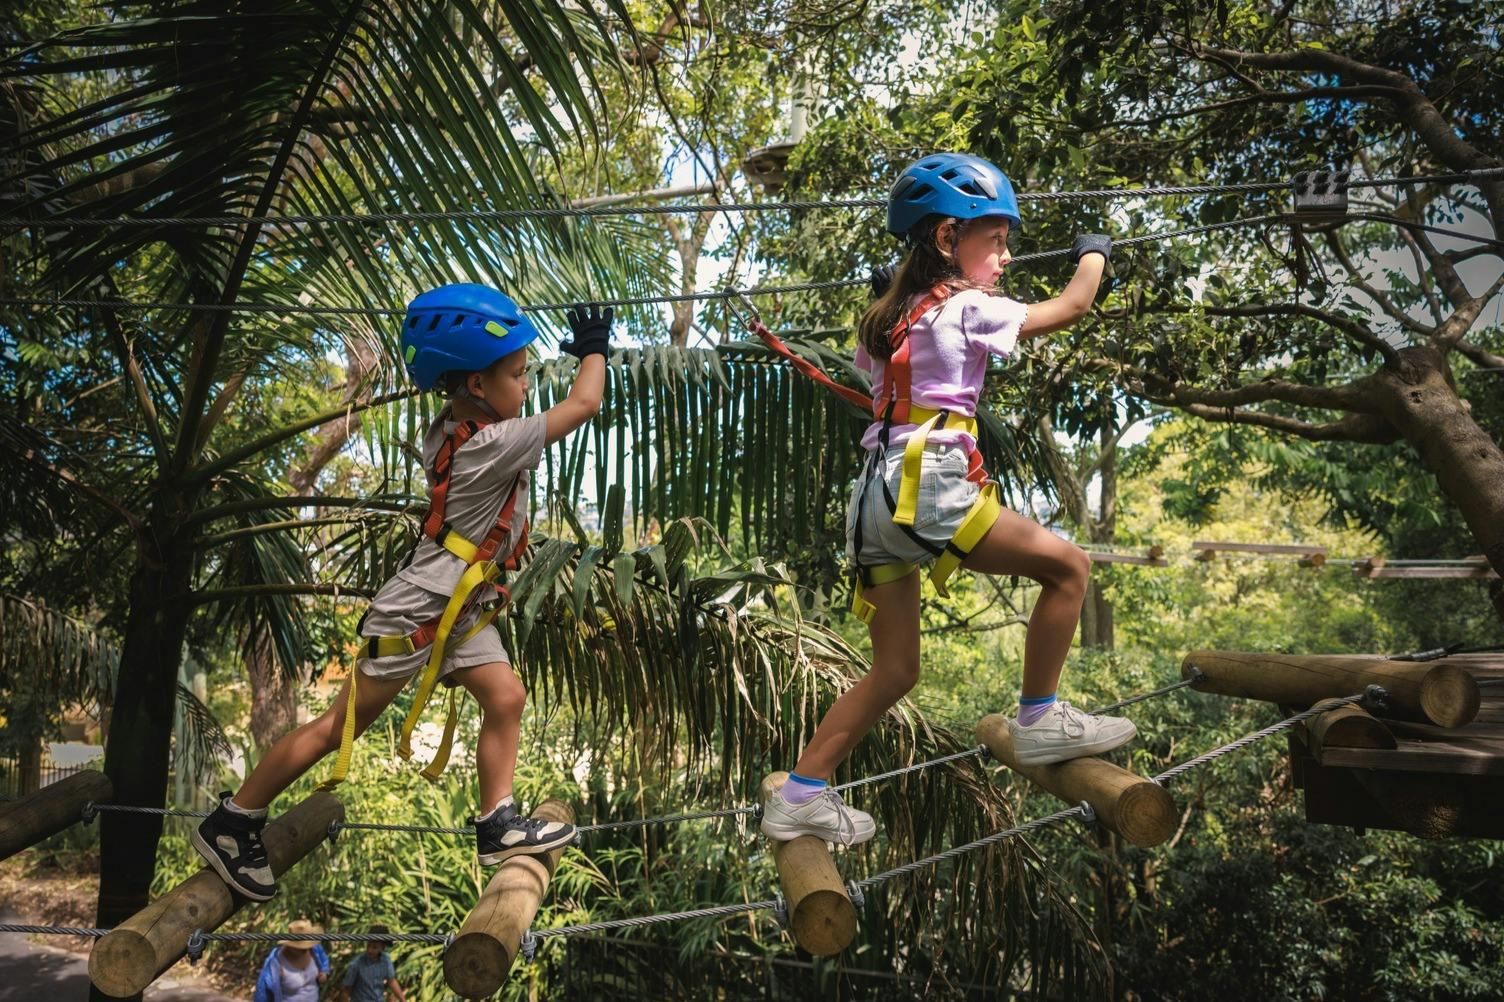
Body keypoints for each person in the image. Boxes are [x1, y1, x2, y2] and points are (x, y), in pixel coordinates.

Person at [760, 153, 1137, 843]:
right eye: (994, 238)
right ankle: (1040, 716)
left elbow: (877, 374)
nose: (1006, 254)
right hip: (928, 484)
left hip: (875, 497)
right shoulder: (967, 304)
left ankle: (802, 792)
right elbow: (1071, 307)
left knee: (897, 668)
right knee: (1068, 568)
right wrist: (1094, 256)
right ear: (946, 241)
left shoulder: (887, 319)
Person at [193, 285, 613, 900]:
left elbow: (530, 399)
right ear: (474, 385)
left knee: (505, 695)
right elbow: (585, 403)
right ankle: (233, 822)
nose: (527, 387)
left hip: (456, 607)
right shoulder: (492, 443)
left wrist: (552, 358)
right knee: (339, 726)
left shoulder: (455, 425)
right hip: (420, 608)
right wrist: (596, 350)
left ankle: (498, 821)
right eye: (519, 375)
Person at [252, 919, 328, 1002]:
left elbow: (323, 959)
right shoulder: (275, 963)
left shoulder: (314, 949)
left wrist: (324, 972)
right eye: (301, 947)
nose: (305, 949)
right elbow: (262, 994)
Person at [340, 924, 405, 1002]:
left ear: (383, 947)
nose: (370, 950)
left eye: (374, 947)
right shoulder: (356, 965)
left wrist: (403, 1000)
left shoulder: (386, 960)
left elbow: (391, 981)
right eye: (368, 945)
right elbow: (346, 991)